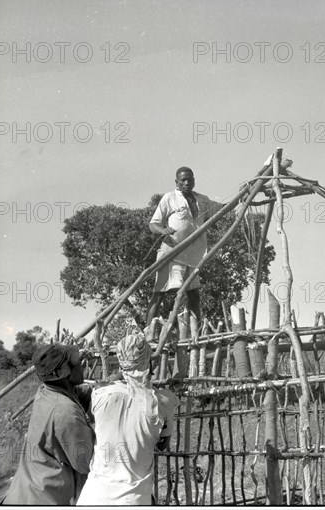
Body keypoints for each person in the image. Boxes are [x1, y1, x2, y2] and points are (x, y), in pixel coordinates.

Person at [76, 329, 177, 505]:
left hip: (92, 496)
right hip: (132, 499)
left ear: (120, 361)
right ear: (148, 362)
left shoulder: (99, 394)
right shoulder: (163, 402)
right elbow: (163, 445)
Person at [3, 345, 94, 505]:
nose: (82, 364)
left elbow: (76, 393)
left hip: (27, 491)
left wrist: (98, 390)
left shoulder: (46, 392)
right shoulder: (66, 412)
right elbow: (86, 462)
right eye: (78, 362)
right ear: (66, 373)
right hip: (45, 498)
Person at [145, 166, 223, 330]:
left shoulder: (202, 199)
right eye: (183, 180)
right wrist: (162, 230)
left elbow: (221, 208)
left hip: (193, 256)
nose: (187, 182)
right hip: (172, 252)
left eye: (190, 179)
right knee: (160, 292)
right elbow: (153, 224)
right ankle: (148, 331)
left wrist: (242, 197)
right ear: (177, 182)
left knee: (194, 294)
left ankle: (197, 332)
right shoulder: (170, 198)